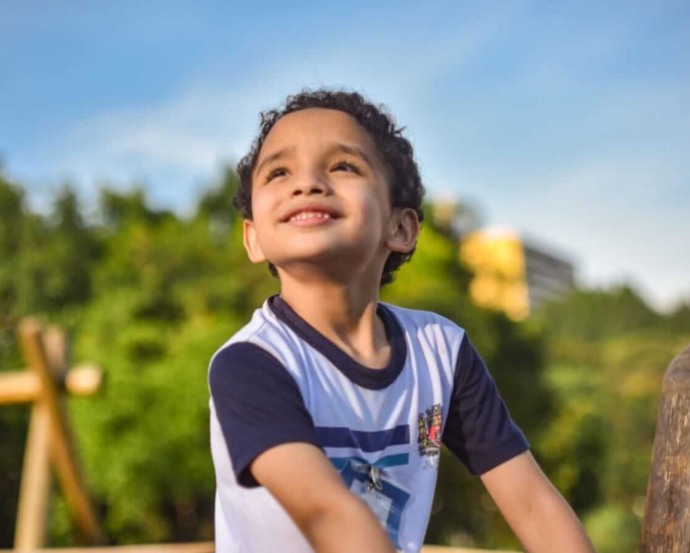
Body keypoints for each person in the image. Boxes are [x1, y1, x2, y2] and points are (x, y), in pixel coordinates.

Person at [208, 89, 594, 553]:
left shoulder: (441, 351)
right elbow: (325, 512)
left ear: (401, 228)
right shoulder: (251, 363)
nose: (306, 183)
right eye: (279, 171)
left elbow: (533, 505)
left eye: (343, 166)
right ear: (253, 238)